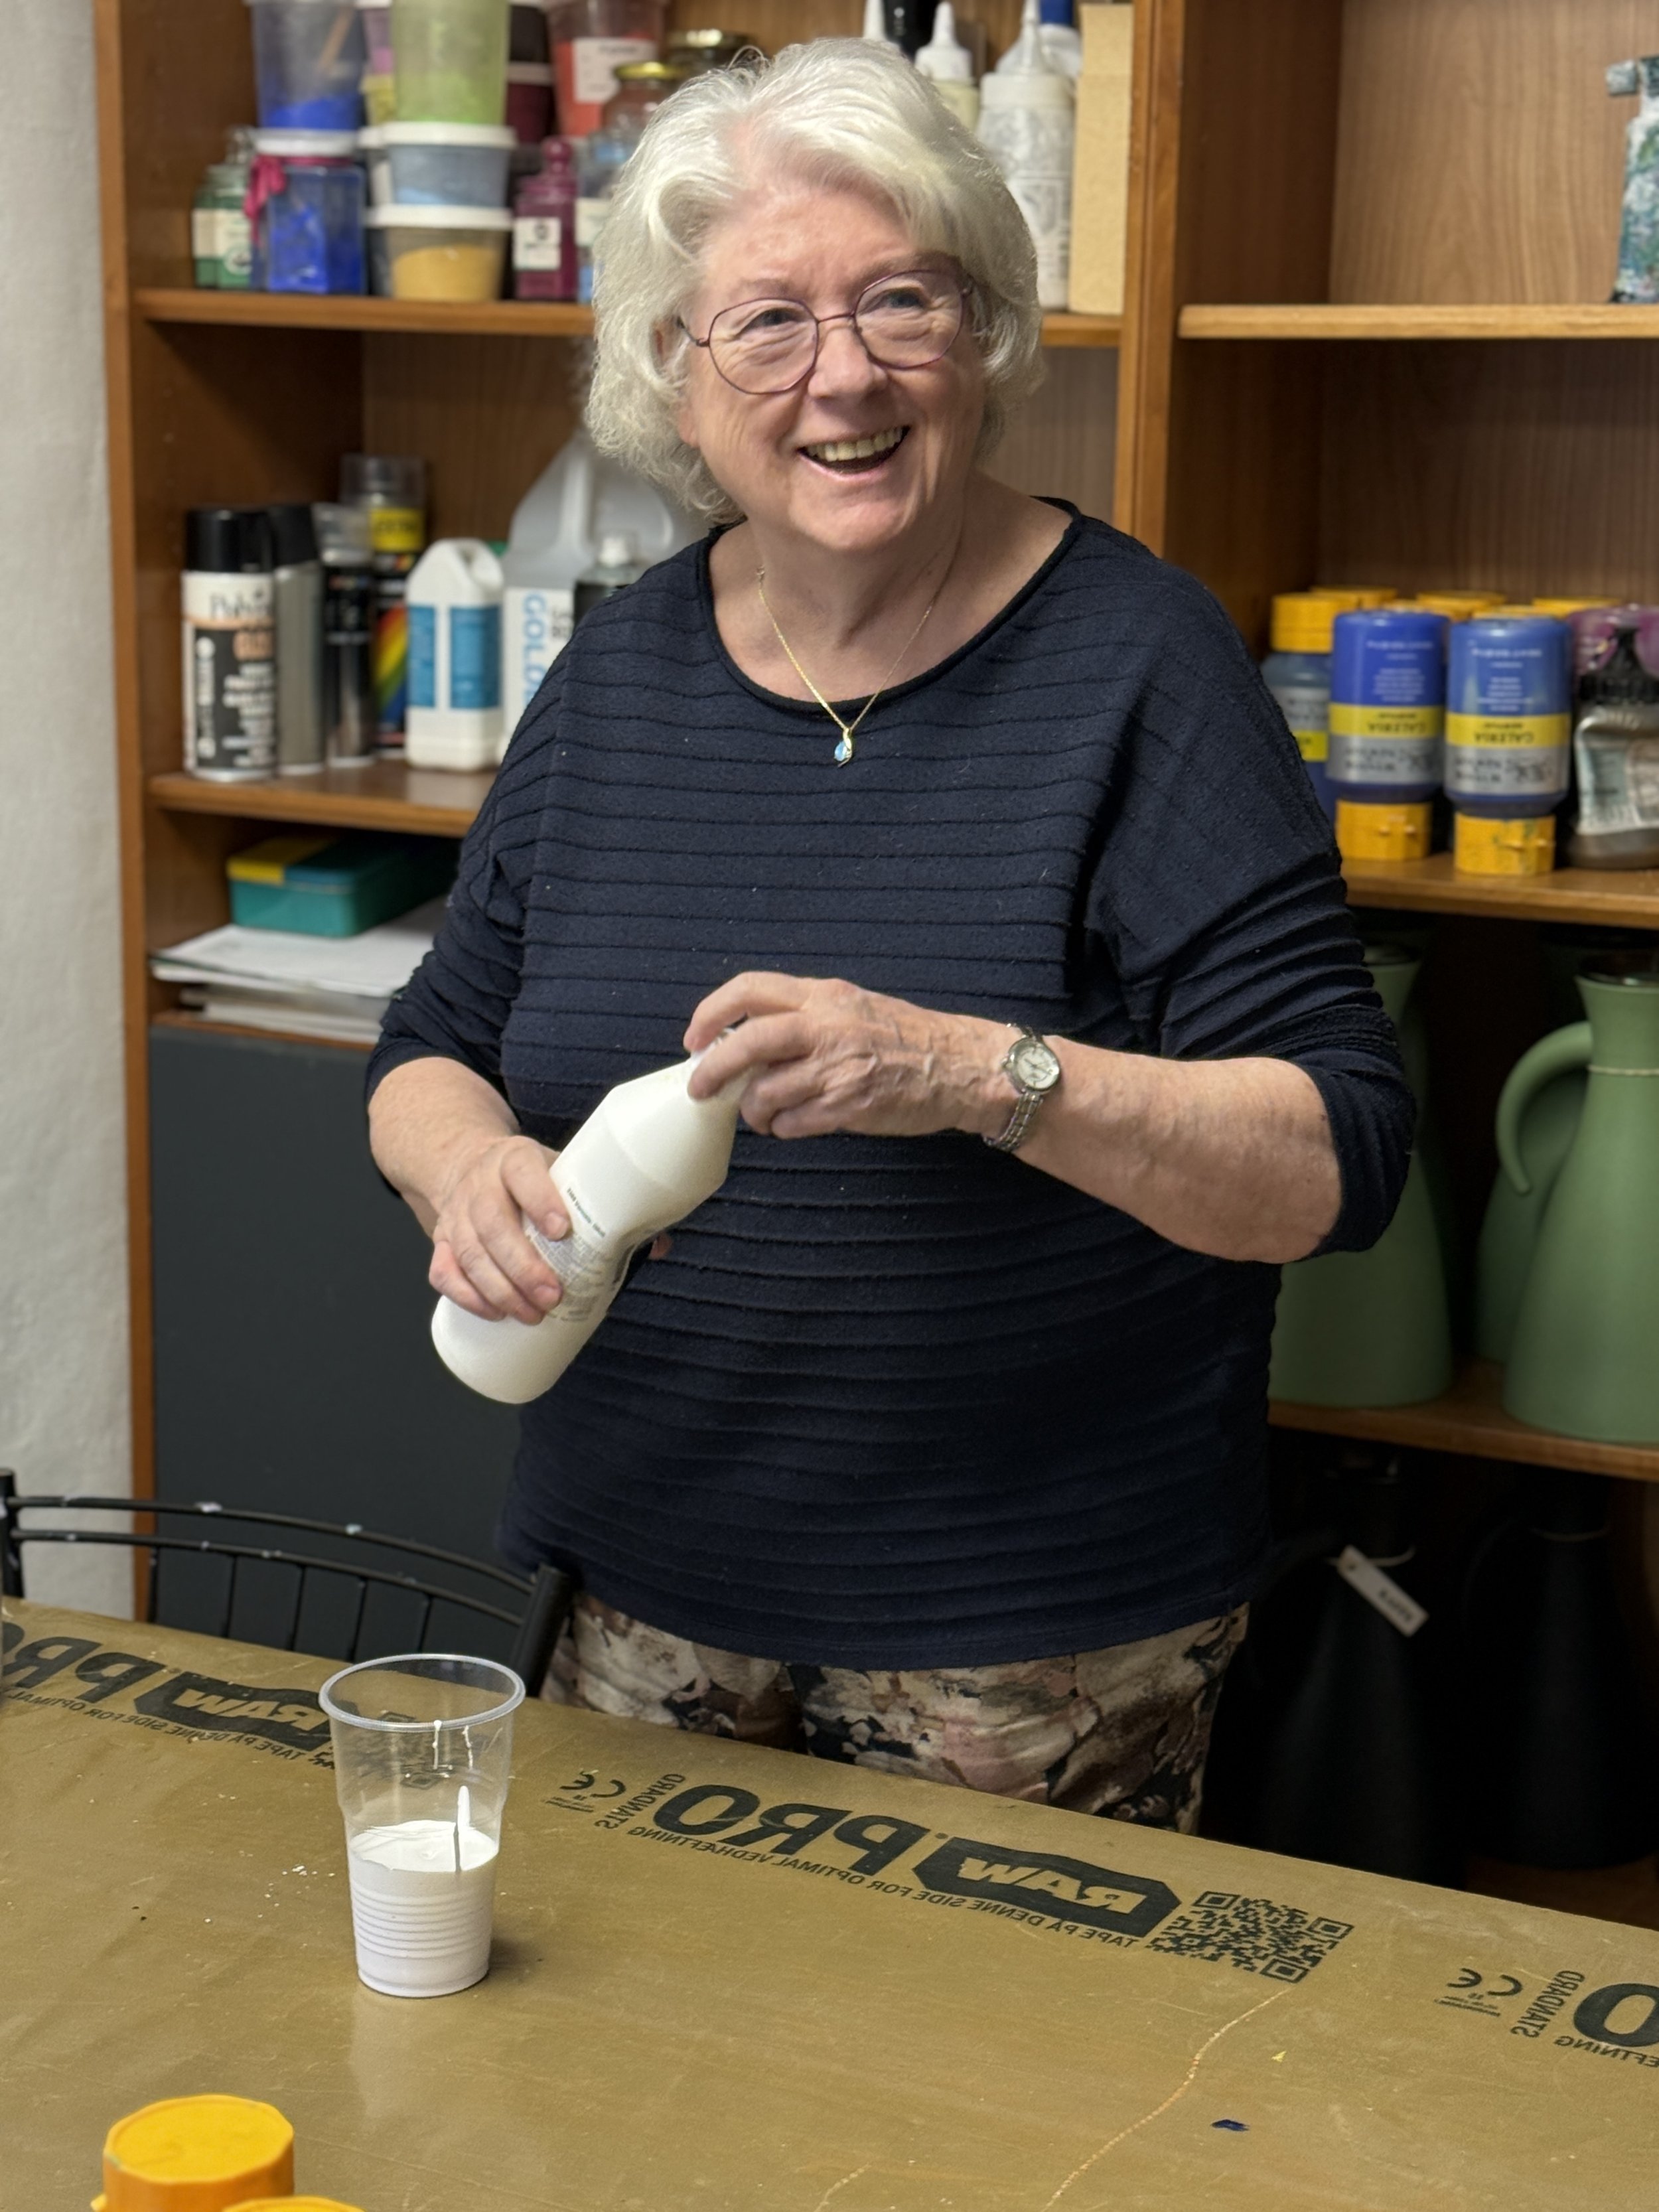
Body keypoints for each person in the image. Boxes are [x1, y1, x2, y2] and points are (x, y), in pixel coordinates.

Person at [367, 40, 1411, 1829]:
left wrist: (964, 1071)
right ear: (675, 385)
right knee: (630, 2089)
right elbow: (427, 1051)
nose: (840, 374)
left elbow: (1337, 1163)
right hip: (642, 1606)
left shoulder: (1138, 669)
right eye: (766, 322)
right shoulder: (614, 676)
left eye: (898, 303)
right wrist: (464, 1171)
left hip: (1022, 1656)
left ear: (983, 336)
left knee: (975, 2114)